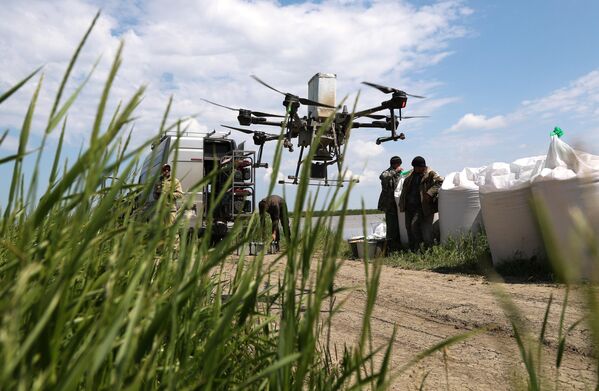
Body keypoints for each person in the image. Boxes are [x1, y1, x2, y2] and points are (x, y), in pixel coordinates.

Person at [399, 156, 444, 251]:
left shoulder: (430, 173)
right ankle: (412, 249)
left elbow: (440, 181)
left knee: (414, 225)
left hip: (420, 206)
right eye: (415, 167)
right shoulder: (411, 174)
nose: (417, 169)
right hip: (409, 205)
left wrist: (430, 193)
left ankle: (420, 248)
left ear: (423, 166)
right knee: (408, 227)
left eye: (419, 167)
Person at [154, 163, 183, 251]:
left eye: (168, 169)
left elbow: (180, 194)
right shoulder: (158, 182)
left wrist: (169, 194)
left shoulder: (175, 181)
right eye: (164, 169)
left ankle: (175, 251)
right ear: (161, 171)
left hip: (171, 210)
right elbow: (154, 195)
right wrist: (157, 195)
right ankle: (160, 251)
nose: (166, 171)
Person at [377, 156, 403, 253]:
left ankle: (397, 245)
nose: (400, 166)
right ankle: (390, 248)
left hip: (397, 204)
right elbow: (383, 177)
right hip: (389, 204)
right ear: (395, 164)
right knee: (391, 226)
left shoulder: (398, 174)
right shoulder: (387, 172)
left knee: (398, 226)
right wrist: (395, 171)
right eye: (399, 164)